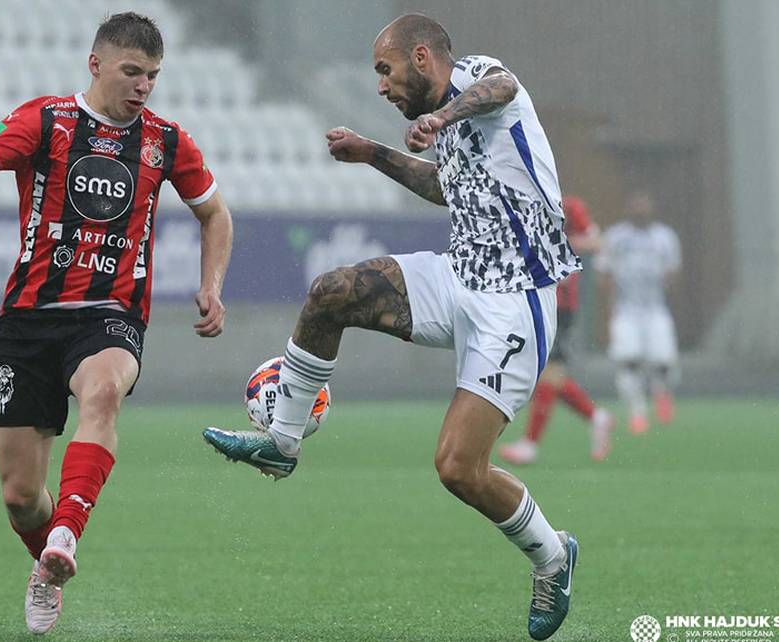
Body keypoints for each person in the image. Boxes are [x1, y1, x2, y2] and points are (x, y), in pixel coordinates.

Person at [204, 14, 580, 640]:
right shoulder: (448, 126)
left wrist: (441, 118)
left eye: (386, 69)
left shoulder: (479, 78)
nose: (380, 84)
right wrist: (372, 152)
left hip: (516, 299)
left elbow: (505, 87)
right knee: (334, 292)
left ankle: (553, 556)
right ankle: (284, 441)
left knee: (459, 469)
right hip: (459, 274)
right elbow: (446, 188)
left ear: (424, 57)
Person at [0, 12, 232, 635]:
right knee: (19, 495)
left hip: (110, 315)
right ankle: (47, 564)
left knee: (105, 390)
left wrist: (211, 286)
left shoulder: (167, 141)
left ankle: (68, 532)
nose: (143, 86)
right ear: (96, 64)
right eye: (132, 72)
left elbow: (215, 213)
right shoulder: (48, 119)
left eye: (153, 76)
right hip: (30, 320)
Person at [499, 195, 615, 465]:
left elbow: (596, 242)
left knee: (549, 374)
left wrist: (556, 244)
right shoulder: (517, 202)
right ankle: (596, 417)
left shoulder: (569, 206)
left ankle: (530, 443)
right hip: (531, 299)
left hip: (560, 304)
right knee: (548, 375)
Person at [597, 190, 680, 434]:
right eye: (636, 207)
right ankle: (638, 412)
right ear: (628, 209)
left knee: (662, 360)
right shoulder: (616, 237)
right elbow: (605, 274)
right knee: (628, 360)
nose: (640, 211)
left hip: (655, 308)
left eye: (644, 207)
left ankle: (661, 392)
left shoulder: (665, 237)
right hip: (626, 308)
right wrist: (609, 312)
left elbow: (673, 271)